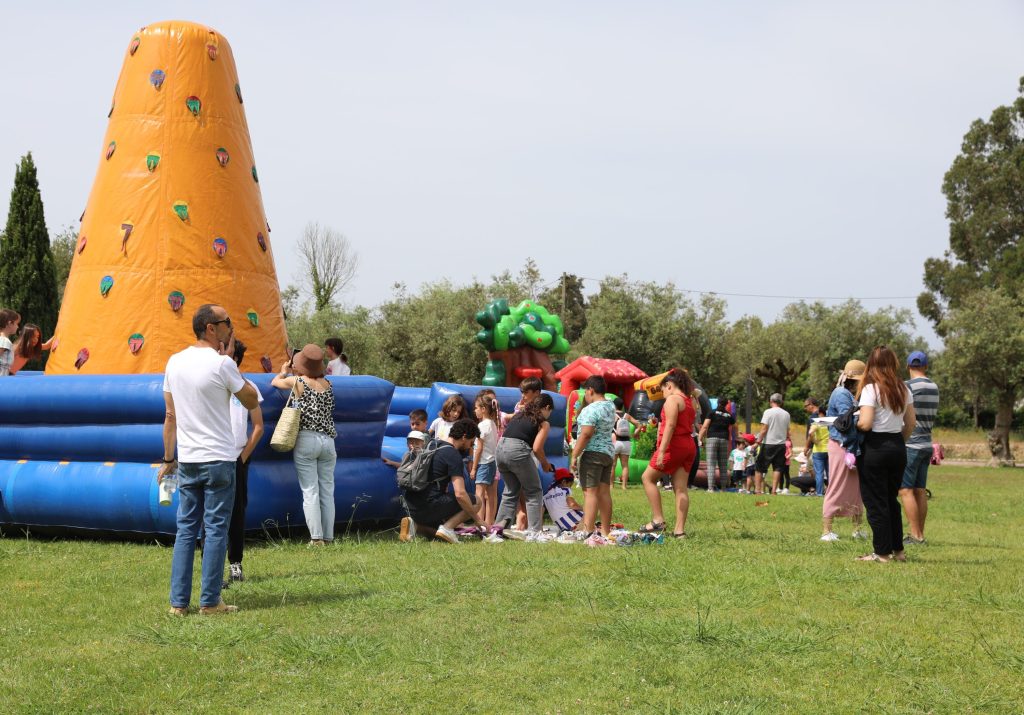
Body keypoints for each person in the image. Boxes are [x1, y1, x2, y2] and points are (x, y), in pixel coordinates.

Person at [160, 304, 259, 615]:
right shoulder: (221, 364)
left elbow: (170, 414)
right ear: (210, 328)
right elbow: (252, 398)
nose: (231, 326)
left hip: (188, 458)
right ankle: (210, 601)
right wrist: (230, 364)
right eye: (226, 322)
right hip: (218, 458)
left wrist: (168, 458)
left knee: (186, 528)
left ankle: (178, 603)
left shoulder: (174, 362)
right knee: (216, 528)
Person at [271, 344, 338, 545]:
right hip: (328, 441)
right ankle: (328, 537)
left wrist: (284, 371)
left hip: (307, 439)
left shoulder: (298, 381)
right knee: (327, 490)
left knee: (310, 491)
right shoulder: (328, 384)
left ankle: (316, 538)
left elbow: (275, 382)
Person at [855, 347, 916, 562]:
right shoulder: (903, 388)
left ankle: (881, 553)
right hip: (897, 447)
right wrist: (898, 442)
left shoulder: (871, 389)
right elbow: (911, 423)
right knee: (891, 500)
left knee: (875, 502)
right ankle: (898, 551)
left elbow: (866, 422)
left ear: (871, 363)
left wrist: (854, 424)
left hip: (875, 448)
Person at [402, 418, 486, 544]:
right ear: (464, 437)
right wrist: (478, 520)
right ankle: (447, 528)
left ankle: (415, 525)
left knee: (436, 535)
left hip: (410, 504)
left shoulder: (432, 444)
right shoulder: (453, 455)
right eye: (471, 442)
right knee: (476, 501)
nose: (471, 446)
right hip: (428, 505)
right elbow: (460, 494)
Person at [638, 368, 698, 538]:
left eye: (663, 389)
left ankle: (658, 520)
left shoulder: (672, 400)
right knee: (681, 489)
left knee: (647, 478)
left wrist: (662, 450)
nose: (662, 393)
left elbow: (670, 426)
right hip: (688, 445)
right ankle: (679, 532)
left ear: (670, 386)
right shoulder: (690, 401)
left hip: (674, 445)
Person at [225, 340, 264, 585]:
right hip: (214, 455)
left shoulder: (248, 388)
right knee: (212, 515)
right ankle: (213, 566)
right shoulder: (212, 384)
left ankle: (235, 564)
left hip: (238, 458)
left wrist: (243, 457)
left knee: (237, 514)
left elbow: (258, 426)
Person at [493, 393, 556, 541]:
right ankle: (534, 532)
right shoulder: (543, 423)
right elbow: (537, 448)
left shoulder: (519, 414)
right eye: (549, 412)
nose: (549, 416)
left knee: (510, 491)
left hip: (500, 450)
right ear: (546, 408)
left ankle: (499, 530)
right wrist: (545, 465)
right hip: (517, 451)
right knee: (534, 491)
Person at [822, 360, 867, 542]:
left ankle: (858, 528)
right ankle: (826, 530)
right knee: (837, 486)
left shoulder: (851, 394)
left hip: (851, 447)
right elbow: (847, 422)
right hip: (842, 446)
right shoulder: (841, 394)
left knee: (857, 490)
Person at [570, 376, 617, 541]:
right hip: (608, 454)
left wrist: (574, 455)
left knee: (590, 493)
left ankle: (588, 531)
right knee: (604, 493)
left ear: (590, 390)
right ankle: (605, 531)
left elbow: (586, 434)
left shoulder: (590, 409)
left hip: (592, 455)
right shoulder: (610, 406)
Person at [902, 351, 938, 546]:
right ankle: (920, 533)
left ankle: (916, 536)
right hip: (926, 443)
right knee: (920, 490)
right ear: (926, 366)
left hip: (911, 444)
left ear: (908, 366)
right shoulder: (934, 386)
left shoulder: (907, 386)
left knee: (905, 490)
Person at [471, 392, 500, 526]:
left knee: (479, 494)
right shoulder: (492, 424)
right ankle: (489, 523)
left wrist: (474, 467)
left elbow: (479, 448)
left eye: (476, 408)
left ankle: (479, 523)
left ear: (483, 409)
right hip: (492, 462)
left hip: (483, 463)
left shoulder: (482, 426)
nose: (474, 411)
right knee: (491, 495)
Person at [753, 393, 791, 495]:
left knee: (759, 467)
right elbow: (788, 431)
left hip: (769, 443)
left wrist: (757, 442)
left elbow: (764, 429)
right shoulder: (786, 414)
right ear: (781, 402)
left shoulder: (768, 412)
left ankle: (757, 490)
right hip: (781, 445)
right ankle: (774, 490)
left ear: (771, 401)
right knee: (778, 468)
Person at [704, 397, 735, 491]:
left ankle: (710, 488)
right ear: (726, 404)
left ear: (718, 403)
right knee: (723, 465)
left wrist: (700, 438)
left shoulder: (712, 412)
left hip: (712, 438)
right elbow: (734, 426)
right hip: (724, 439)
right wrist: (734, 437)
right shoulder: (729, 415)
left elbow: (705, 426)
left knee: (711, 464)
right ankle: (723, 488)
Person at [543, 468, 584, 538]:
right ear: (564, 482)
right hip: (575, 523)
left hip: (562, 526)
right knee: (590, 512)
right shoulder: (565, 490)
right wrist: (585, 509)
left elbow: (541, 512)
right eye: (570, 485)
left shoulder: (545, 496)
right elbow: (572, 505)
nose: (570, 487)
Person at [803, 398, 830, 496]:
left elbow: (810, 434)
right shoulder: (829, 421)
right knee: (830, 473)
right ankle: (831, 493)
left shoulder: (814, 420)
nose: (805, 409)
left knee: (819, 473)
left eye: (806, 406)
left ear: (811, 404)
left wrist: (811, 444)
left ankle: (819, 493)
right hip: (829, 450)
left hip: (818, 450)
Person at [612, 398, 640, 490]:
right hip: (626, 442)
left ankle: (611, 486)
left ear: (614, 405)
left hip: (615, 442)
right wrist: (635, 434)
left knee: (613, 465)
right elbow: (638, 425)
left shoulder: (612, 415)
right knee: (625, 465)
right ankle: (624, 486)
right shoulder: (626, 415)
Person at [689, 383, 713, 489]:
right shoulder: (686, 403)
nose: (696, 398)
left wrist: (701, 434)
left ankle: (689, 482)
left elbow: (697, 423)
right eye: (693, 396)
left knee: (695, 459)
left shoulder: (696, 406)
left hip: (693, 433)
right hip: (687, 433)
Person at [0, 309, 20, 377]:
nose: (18, 327)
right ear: (10, 323)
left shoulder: (4, 340)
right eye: (16, 323)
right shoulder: (4, 341)